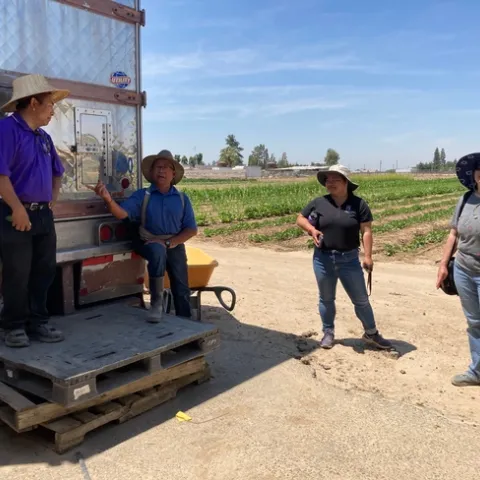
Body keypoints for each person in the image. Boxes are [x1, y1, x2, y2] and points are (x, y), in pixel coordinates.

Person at [0, 74, 69, 348]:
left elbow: (57, 172)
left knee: (44, 270)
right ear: (32, 102)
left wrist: (51, 201)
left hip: (42, 215)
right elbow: (1, 176)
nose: (53, 110)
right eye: (50, 104)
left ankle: (38, 322)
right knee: (17, 272)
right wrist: (17, 208)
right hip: (13, 213)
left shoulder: (44, 138)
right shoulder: (7, 130)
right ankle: (14, 326)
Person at [90, 150, 198, 322]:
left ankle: (186, 321)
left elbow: (191, 229)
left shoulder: (182, 199)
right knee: (157, 250)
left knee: (181, 287)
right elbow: (122, 213)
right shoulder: (143, 196)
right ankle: (156, 304)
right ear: (152, 172)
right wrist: (108, 200)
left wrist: (169, 242)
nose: (161, 171)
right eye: (157, 167)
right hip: (149, 241)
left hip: (174, 244)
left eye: (165, 167)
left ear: (173, 173)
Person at [296, 164, 392, 350]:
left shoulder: (359, 204)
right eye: (327, 180)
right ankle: (328, 332)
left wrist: (368, 256)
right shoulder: (319, 202)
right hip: (323, 259)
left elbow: (366, 231)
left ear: (346, 182)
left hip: (349, 260)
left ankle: (371, 333)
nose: (329, 182)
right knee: (326, 298)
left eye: (335, 179)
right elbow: (300, 218)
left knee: (361, 299)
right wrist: (311, 229)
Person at [436, 153, 480, 387]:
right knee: (474, 322)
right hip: (464, 268)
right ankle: (476, 371)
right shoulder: (465, 200)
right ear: (474, 174)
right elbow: (454, 233)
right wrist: (444, 265)